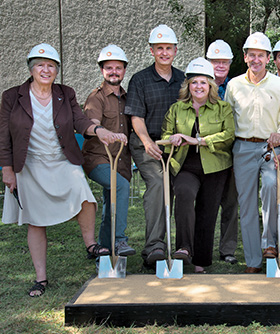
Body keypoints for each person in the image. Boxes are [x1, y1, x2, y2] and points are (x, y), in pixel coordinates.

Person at [0, 43, 126, 297]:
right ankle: (41, 279)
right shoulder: (12, 96)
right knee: (35, 222)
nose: (45, 70)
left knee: (86, 199)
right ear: (31, 69)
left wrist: (98, 130)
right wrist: (7, 169)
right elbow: (3, 136)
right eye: (40, 65)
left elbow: (80, 120)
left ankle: (92, 245)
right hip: (30, 164)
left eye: (51, 66)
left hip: (63, 160)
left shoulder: (64, 93)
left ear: (56, 70)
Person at [225, 32, 280, 273]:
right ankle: (253, 260)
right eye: (251, 55)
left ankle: (269, 245)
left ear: (268, 59)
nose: (256, 59)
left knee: (269, 187)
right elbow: (228, 121)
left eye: (261, 55)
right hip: (243, 147)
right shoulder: (234, 86)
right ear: (245, 58)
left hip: (270, 147)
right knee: (245, 203)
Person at [162, 58, 235, 273]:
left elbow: (228, 135)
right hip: (185, 165)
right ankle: (184, 247)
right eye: (194, 83)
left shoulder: (222, 108)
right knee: (184, 194)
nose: (199, 87)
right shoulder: (177, 109)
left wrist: (200, 141)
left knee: (208, 210)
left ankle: (201, 261)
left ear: (211, 85)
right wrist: (172, 138)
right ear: (188, 86)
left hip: (215, 166)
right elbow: (166, 133)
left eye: (203, 82)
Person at [124, 24, 184, 268]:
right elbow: (136, 117)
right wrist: (147, 142)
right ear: (151, 51)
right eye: (159, 48)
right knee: (159, 184)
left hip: (176, 146)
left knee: (181, 187)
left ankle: (182, 246)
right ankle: (154, 247)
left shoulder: (184, 79)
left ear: (175, 51)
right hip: (147, 143)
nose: (164, 53)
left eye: (168, 48)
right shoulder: (139, 80)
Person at [82, 45, 135, 256]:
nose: (114, 72)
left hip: (119, 160)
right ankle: (120, 241)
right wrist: (103, 131)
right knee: (119, 187)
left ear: (124, 70)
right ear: (102, 71)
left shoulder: (128, 97)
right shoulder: (96, 97)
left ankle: (103, 250)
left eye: (118, 68)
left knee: (109, 203)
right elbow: (91, 121)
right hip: (97, 159)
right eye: (109, 68)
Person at [207, 39, 239, 265]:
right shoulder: (198, 86)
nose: (220, 65)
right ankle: (203, 247)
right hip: (207, 153)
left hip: (233, 151)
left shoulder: (237, 86)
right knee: (207, 202)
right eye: (215, 61)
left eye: (224, 62)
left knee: (231, 202)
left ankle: (227, 249)